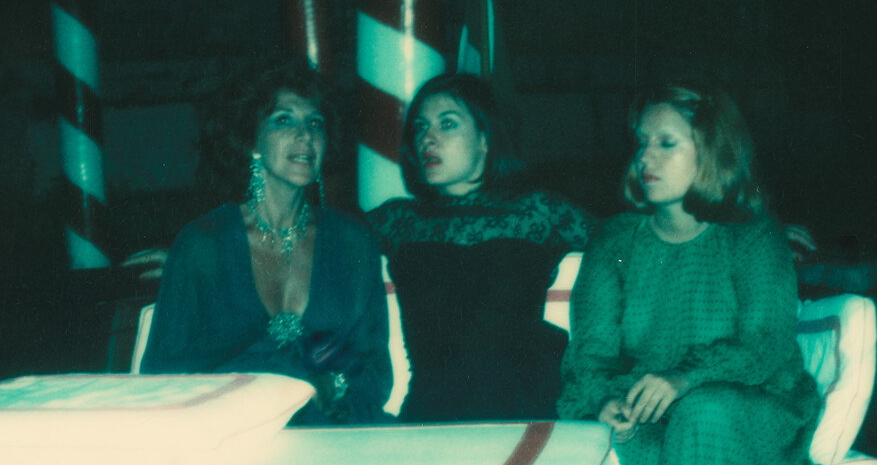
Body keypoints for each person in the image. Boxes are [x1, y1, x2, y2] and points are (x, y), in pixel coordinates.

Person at [558, 79, 869, 465]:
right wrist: (604, 402)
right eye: (641, 143)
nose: (645, 158)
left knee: (706, 417)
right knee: (657, 442)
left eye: (667, 143)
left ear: (713, 153)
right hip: (654, 415)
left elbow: (766, 347)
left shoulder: (751, 237)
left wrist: (683, 378)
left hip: (754, 403)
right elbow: (589, 356)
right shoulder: (616, 242)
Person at [141, 59, 392, 424]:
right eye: (284, 120)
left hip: (337, 430)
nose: (305, 136)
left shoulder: (353, 242)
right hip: (231, 434)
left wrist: (331, 387)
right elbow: (162, 374)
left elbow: (374, 369)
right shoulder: (203, 245)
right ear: (251, 139)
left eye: (315, 124)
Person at [367, 73, 594, 423]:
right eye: (421, 127)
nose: (428, 138)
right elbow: (319, 243)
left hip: (528, 402)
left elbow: (625, 247)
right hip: (434, 408)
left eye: (448, 124)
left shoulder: (537, 211)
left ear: (485, 139)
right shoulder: (398, 220)